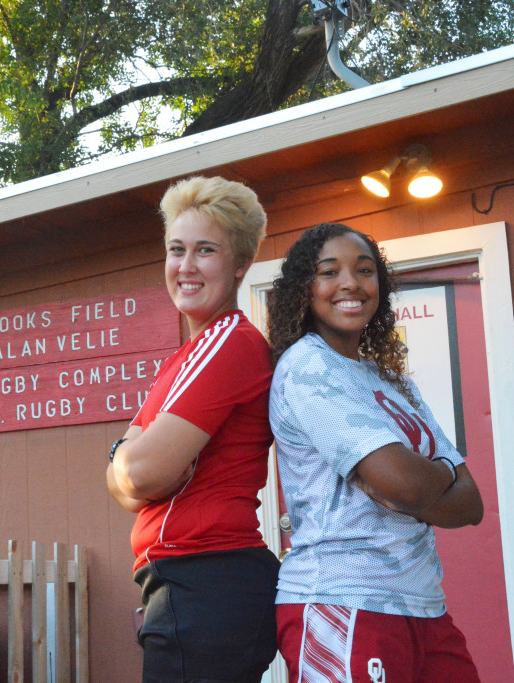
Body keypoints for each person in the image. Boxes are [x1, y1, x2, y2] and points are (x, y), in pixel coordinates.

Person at [266, 222, 484, 683]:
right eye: (330, 272)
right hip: (343, 600)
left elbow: (471, 503)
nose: (350, 283)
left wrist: (424, 478)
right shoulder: (307, 367)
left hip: (424, 604)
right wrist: (426, 478)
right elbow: (406, 484)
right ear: (305, 288)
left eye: (364, 270)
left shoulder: (392, 382)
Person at [106, 176, 280, 682]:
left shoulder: (230, 342)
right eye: (176, 249)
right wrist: (128, 455)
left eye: (205, 251)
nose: (186, 266)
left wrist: (128, 456)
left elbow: (137, 475)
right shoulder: (182, 360)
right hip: (186, 582)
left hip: (207, 577)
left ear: (241, 264)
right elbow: (131, 482)